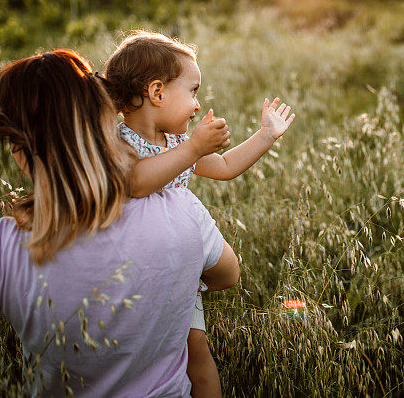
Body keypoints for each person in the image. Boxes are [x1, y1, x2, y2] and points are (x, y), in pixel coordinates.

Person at [0, 49, 240, 397]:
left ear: (18, 147)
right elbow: (228, 275)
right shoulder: (181, 208)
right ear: (104, 122)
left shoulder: (3, 248)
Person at [103, 31, 295, 397]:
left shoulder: (175, 142)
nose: (197, 103)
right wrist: (193, 147)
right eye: (192, 90)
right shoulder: (118, 141)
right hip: (130, 272)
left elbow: (222, 165)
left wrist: (266, 135)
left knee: (197, 351)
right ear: (157, 93)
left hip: (175, 267)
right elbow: (138, 183)